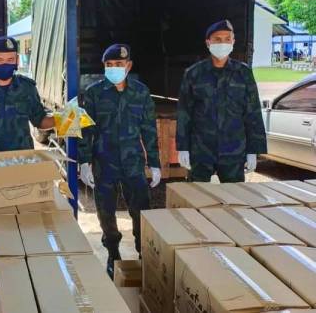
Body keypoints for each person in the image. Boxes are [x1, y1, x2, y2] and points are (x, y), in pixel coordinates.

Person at [78, 44, 160, 278]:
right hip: (104, 162)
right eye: (109, 65)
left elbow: (149, 130)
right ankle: (113, 253)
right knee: (106, 212)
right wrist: (84, 161)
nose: (114, 68)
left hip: (133, 162)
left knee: (140, 210)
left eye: (119, 64)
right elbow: (86, 129)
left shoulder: (141, 92)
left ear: (129, 65)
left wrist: (154, 162)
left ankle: (144, 251)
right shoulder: (94, 93)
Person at [176, 20, 267, 182]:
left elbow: (253, 112)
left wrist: (254, 150)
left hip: (233, 150)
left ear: (233, 42)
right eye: (217, 39)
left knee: (234, 198)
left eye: (227, 39)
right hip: (201, 149)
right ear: (208, 42)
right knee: (197, 197)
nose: (222, 43)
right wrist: (183, 148)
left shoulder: (243, 73)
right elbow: (184, 113)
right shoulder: (194, 73)